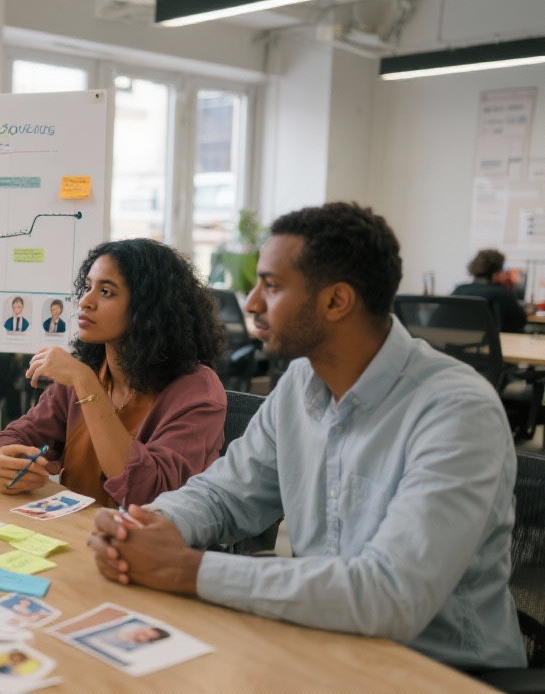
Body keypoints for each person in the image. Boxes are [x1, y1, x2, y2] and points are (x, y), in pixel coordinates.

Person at [88, 203, 525, 670]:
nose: (252, 302)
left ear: (337, 302)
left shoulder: (457, 411)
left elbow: (391, 595)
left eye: (271, 286)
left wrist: (186, 569)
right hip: (323, 645)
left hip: (442, 672)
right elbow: (222, 496)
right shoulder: (299, 385)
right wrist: (145, 526)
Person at [0, 239, 226, 507]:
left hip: (144, 545)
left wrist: (87, 385)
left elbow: (149, 494)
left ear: (148, 308)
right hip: (76, 533)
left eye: (107, 292)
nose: (85, 302)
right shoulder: (90, 372)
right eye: (87, 288)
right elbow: (17, 436)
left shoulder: (197, 390)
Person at [453, 248, 526, 333]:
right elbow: (520, 322)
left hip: (458, 343)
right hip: (494, 343)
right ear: (497, 272)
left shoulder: (459, 290)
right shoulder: (502, 293)